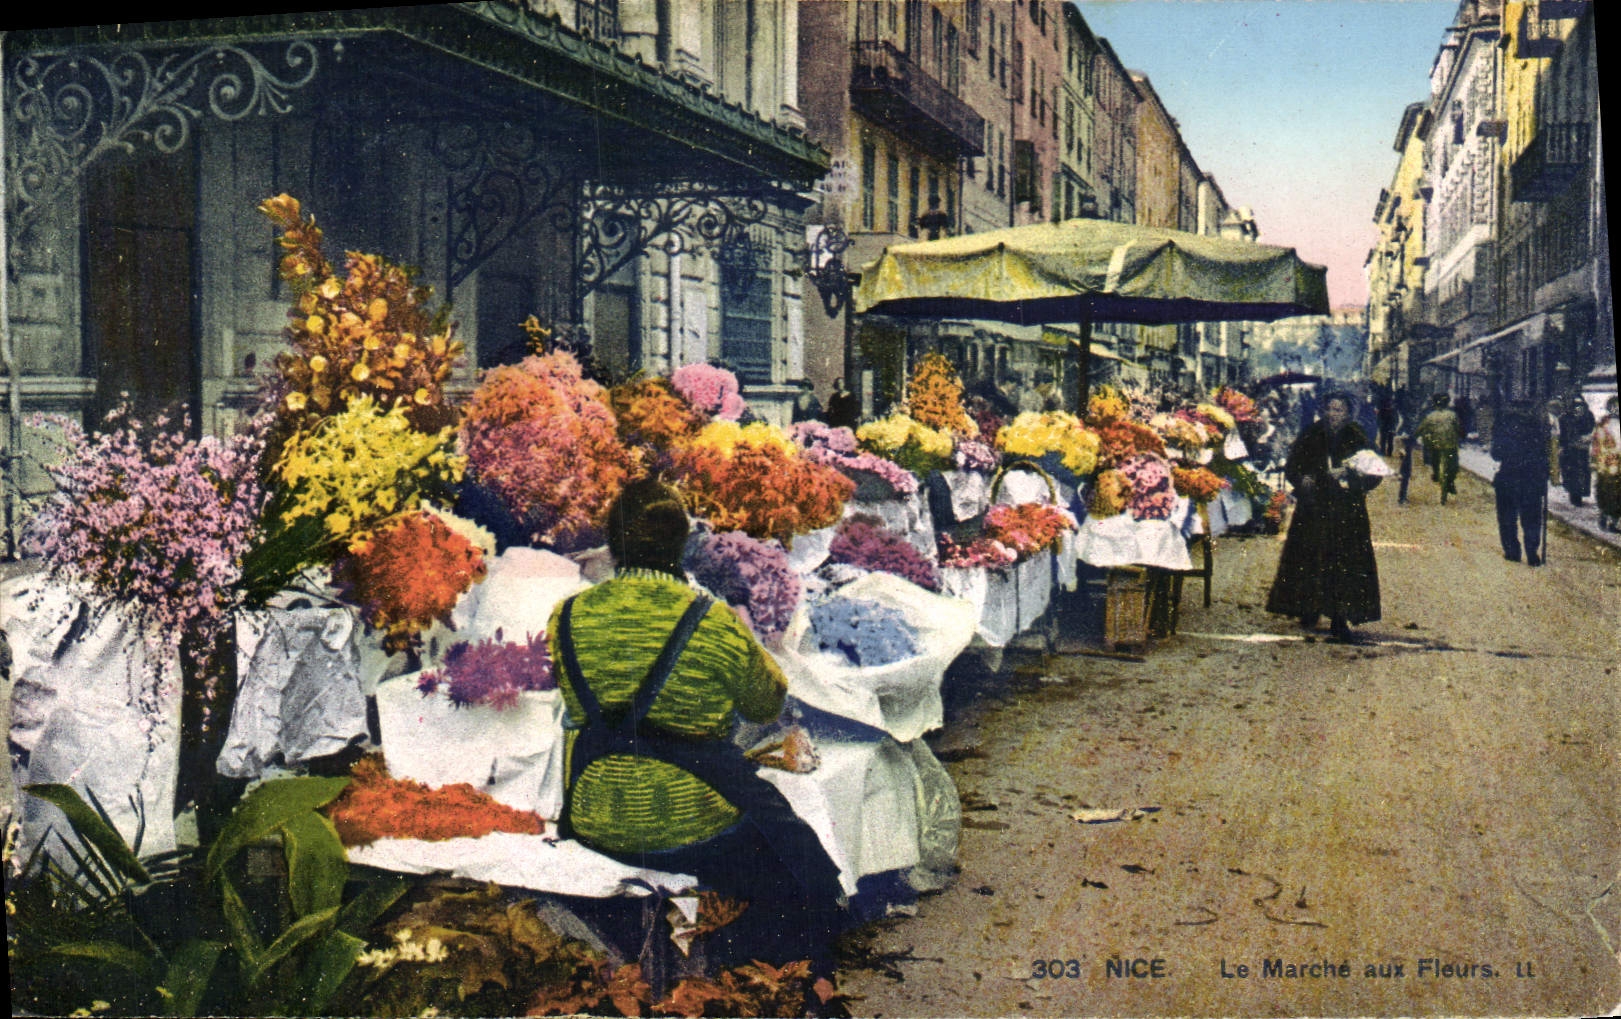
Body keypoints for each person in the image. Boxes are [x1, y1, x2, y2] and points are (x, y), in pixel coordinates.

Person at [546, 479, 846, 975]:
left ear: (612, 544)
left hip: (594, 814)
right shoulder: (711, 620)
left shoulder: (567, 615)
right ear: (682, 542)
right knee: (798, 865)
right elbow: (765, 703)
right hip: (692, 820)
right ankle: (779, 981)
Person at [1265, 392, 1381, 643]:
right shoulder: (1312, 434)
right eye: (1329, 409)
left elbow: (1375, 473)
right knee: (1310, 558)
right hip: (1314, 508)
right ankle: (1308, 607)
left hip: (1346, 513)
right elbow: (1294, 465)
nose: (1333, 414)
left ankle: (1340, 617)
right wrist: (1303, 477)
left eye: (1339, 410)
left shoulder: (1358, 437)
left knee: (1344, 564)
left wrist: (1351, 477)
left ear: (1348, 413)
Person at [1491, 399, 1552, 565]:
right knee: (1532, 518)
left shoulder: (1503, 426)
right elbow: (1545, 455)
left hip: (1508, 478)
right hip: (1531, 480)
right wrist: (1544, 476)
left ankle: (1512, 551)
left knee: (1507, 518)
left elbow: (1496, 454)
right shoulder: (1538, 428)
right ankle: (1532, 553)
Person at [1415, 393, 1462, 504]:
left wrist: (1414, 437)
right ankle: (1450, 482)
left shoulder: (1430, 416)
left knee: (1435, 462)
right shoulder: (1452, 415)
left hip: (1435, 445)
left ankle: (1436, 475)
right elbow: (1458, 429)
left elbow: (1420, 428)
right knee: (1453, 465)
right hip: (1450, 446)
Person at [1557, 391, 1596, 507]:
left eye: (1580, 405)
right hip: (1570, 450)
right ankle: (1574, 495)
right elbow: (1563, 434)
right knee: (1570, 473)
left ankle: (1579, 494)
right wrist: (1562, 446)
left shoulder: (1588, 416)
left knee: (1581, 473)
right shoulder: (1565, 417)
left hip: (1582, 449)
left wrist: (1587, 438)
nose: (1578, 407)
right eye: (1576, 405)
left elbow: (1591, 429)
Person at [1592, 395, 1621, 532]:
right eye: (1614, 406)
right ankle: (1604, 516)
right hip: (1607, 465)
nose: (1616, 409)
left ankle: (1614, 523)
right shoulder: (1603, 424)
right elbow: (1597, 444)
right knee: (1607, 492)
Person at [1376, 387, 1399, 456]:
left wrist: (1380, 425)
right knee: (1390, 440)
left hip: (1384, 427)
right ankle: (1389, 452)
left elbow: (1378, 419)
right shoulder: (1393, 410)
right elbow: (1396, 419)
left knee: (1383, 440)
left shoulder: (1382, 410)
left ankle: (1383, 451)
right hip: (1390, 426)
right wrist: (1394, 426)